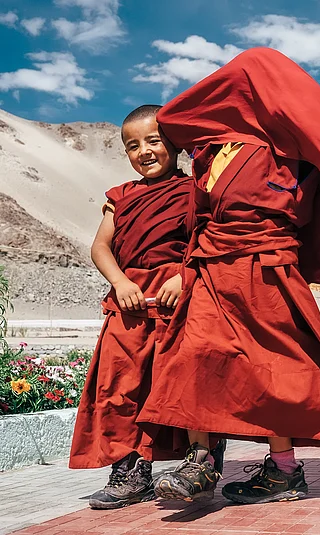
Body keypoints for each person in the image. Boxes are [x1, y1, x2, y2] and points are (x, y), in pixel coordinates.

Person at [136, 47, 320, 505]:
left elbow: (296, 205)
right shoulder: (210, 151)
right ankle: (200, 462)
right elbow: (200, 218)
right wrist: (185, 268)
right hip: (210, 271)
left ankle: (284, 471)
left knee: (273, 371)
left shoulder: (289, 148)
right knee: (191, 356)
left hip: (264, 274)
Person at [69, 105, 194, 509]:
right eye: (132, 145)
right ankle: (129, 471)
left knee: (178, 387)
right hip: (129, 301)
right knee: (119, 387)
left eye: (154, 141)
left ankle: (199, 463)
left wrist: (184, 277)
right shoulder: (121, 197)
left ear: (174, 144)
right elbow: (100, 247)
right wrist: (120, 281)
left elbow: (206, 243)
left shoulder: (195, 192)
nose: (144, 151)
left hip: (177, 302)